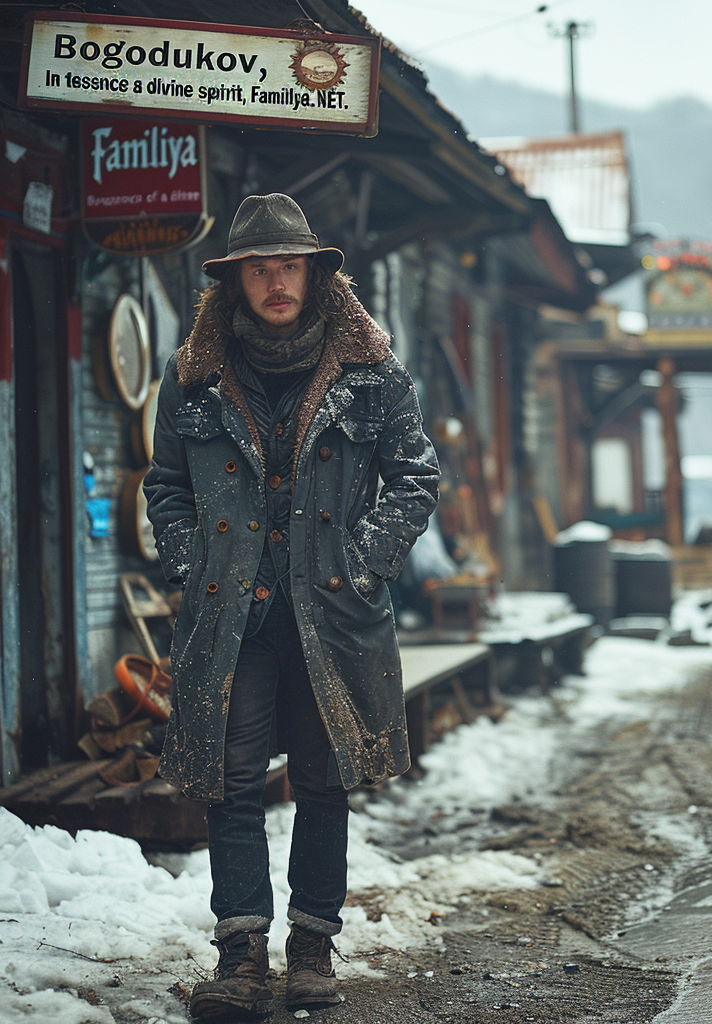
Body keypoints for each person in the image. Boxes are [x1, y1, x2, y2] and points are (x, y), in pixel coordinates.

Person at [144, 193, 439, 1019]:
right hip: (232, 615)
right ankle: (240, 956)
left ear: (315, 274)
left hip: (334, 614)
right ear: (236, 280)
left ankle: (312, 948)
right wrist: (192, 558)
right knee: (231, 784)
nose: (277, 281)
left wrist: (366, 561)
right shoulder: (193, 376)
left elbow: (415, 476)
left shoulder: (370, 374)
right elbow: (164, 487)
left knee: (323, 779)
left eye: (290, 266)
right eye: (260, 268)